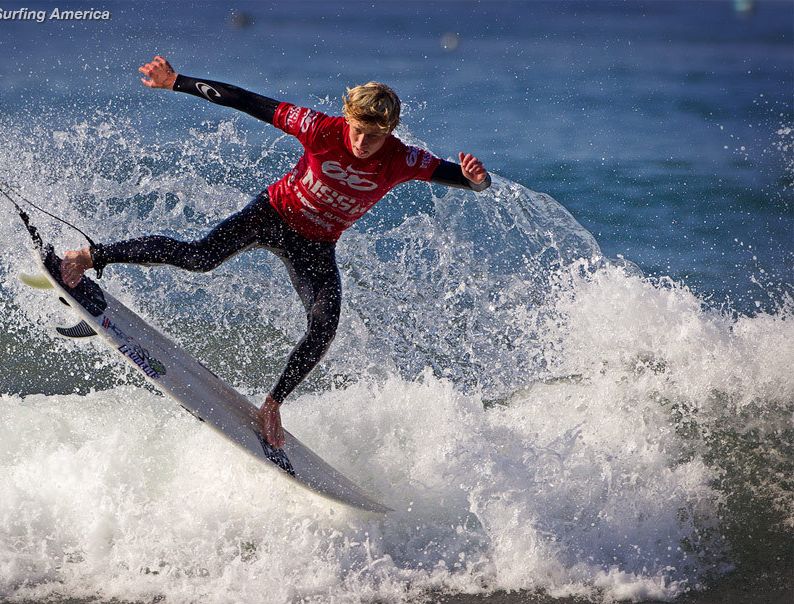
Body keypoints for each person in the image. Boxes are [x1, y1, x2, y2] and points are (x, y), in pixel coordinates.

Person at [61, 55, 491, 448]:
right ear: (347, 119)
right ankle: (89, 256)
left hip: (317, 245)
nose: (361, 143)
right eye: (357, 131)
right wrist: (176, 82)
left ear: (390, 131)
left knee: (324, 325)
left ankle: (272, 404)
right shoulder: (320, 128)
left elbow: (469, 182)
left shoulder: (402, 159)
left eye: (373, 136)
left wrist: (476, 180)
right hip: (272, 214)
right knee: (200, 257)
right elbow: (248, 100)